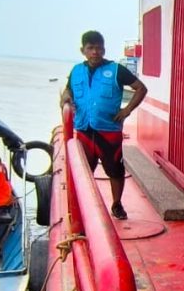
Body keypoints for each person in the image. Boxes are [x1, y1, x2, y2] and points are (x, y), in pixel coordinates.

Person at [60, 30, 148, 219]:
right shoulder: (76, 71)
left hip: (108, 131)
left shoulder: (116, 70)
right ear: (83, 50)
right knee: (83, 171)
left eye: (99, 49)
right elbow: (69, 90)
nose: (95, 52)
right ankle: (83, 208)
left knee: (115, 170)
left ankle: (116, 205)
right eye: (90, 48)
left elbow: (141, 88)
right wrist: (65, 97)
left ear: (104, 49)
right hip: (83, 130)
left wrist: (127, 110)